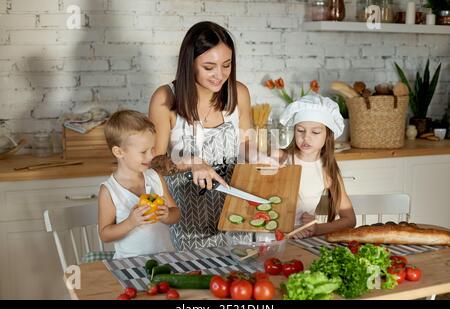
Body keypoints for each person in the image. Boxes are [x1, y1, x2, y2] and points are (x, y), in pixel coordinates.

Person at [148, 21, 253, 250]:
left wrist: (267, 154)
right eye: (209, 67)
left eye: (226, 65)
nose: (220, 75)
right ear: (190, 64)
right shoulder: (166, 99)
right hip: (189, 225)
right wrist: (191, 162)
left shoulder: (239, 93)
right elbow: (154, 163)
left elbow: (247, 148)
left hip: (237, 219)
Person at [98, 110, 180, 259]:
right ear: (119, 152)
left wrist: (167, 215)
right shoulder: (109, 190)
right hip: (129, 263)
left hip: (165, 258)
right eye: (143, 151)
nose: (151, 156)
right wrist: (131, 222)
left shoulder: (155, 177)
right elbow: (105, 234)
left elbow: (175, 213)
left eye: (152, 149)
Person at [273, 94, 356, 238]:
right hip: (270, 237)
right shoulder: (279, 158)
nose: (306, 138)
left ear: (327, 135)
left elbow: (349, 220)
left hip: (301, 241)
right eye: (300, 130)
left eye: (315, 132)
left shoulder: (327, 170)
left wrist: (317, 228)